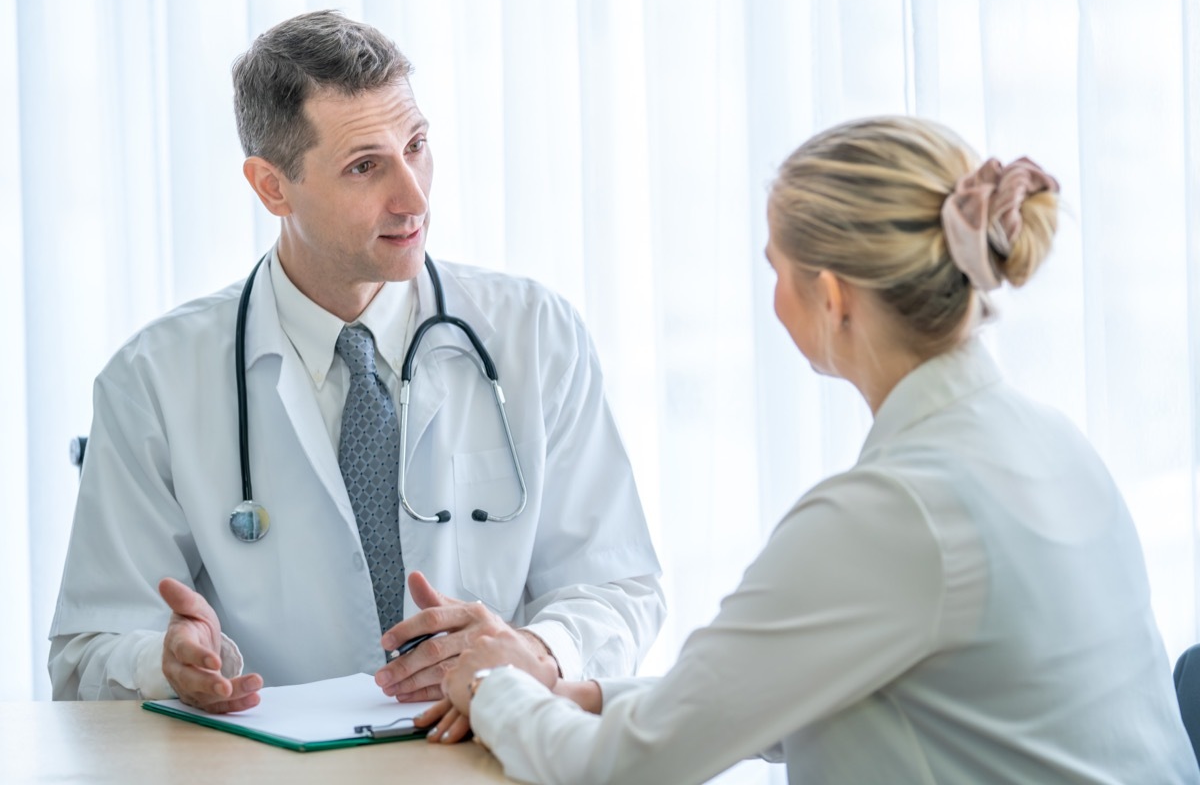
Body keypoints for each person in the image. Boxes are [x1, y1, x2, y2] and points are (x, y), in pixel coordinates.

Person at [435, 116, 1200, 782]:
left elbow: (621, 770)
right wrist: (588, 695)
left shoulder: (895, 512)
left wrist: (496, 688)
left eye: (775, 267)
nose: (771, 295)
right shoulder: (1048, 440)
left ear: (833, 298)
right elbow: (799, 680)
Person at [48, 10, 664, 741]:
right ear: (272, 187)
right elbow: (84, 653)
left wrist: (537, 650)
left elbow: (619, 585)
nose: (415, 198)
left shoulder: (536, 335)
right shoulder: (152, 380)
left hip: (486, 758)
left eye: (417, 146)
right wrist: (165, 663)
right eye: (365, 166)